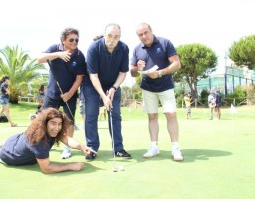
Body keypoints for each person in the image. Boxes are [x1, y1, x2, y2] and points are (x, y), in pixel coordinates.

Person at [0, 108, 96, 174]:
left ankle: (3, 144)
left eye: (60, 124)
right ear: (45, 123)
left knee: (8, 143)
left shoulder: (48, 130)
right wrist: (70, 166)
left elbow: (67, 139)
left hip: (14, 139)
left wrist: (81, 147)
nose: (57, 128)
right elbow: (46, 168)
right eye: (53, 123)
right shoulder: (39, 141)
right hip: (10, 155)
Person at [130, 22, 183, 161]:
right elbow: (133, 73)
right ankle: (154, 147)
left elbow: (177, 64)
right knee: (152, 117)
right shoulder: (137, 49)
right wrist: (137, 68)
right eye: (140, 34)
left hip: (165, 86)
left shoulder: (165, 43)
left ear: (151, 31)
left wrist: (160, 73)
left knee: (171, 114)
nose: (144, 36)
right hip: (148, 87)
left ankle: (175, 148)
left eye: (146, 32)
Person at [83, 23, 132, 161]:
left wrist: (114, 88)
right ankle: (92, 148)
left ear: (119, 37)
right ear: (105, 35)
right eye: (110, 35)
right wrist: (103, 96)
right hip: (92, 85)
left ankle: (118, 149)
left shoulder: (123, 48)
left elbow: (123, 73)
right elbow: (93, 76)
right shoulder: (94, 48)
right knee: (92, 115)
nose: (112, 39)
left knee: (115, 115)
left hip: (112, 84)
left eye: (116, 37)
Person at [37, 27, 86, 159]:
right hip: (52, 93)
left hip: (69, 95)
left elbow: (79, 78)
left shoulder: (80, 55)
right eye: (71, 39)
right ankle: (42, 145)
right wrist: (58, 54)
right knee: (43, 120)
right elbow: (39, 58)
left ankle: (67, 148)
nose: (75, 42)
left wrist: (70, 93)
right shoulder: (54, 48)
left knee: (69, 122)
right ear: (63, 40)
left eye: (77, 39)